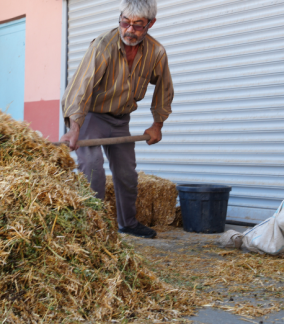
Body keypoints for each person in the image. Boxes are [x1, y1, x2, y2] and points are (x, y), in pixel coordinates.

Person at [60, 0, 173, 238]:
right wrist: (74, 127)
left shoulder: (156, 52)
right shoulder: (103, 45)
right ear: (120, 19)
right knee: (92, 170)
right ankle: (93, 229)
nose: (129, 30)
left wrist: (157, 124)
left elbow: (164, 88)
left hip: (121, 120)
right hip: (92, 116)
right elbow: (81, 87)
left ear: (151, 24)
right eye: (125, 23)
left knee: (127, 175)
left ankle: (128, 223)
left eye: (138, 25)